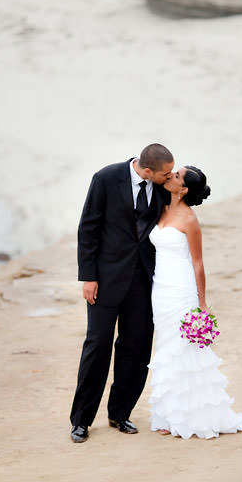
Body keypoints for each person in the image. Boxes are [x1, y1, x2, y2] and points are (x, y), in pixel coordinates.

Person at [70, 144, 174, 442]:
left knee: (136, 347)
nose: (169, 178)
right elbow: (88, 227)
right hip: (105, 279)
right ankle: (81, 420)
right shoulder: (105, 178)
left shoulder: (163, 185)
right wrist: (88, 276)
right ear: (145, 170)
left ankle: (120, 412)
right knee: (97, 345)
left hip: (144, 280)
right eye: (165, 173)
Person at [147, 165, 242, 439]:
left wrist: (202, 303)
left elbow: (198, 262)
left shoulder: (189, 220)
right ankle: (169, 415)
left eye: (177, 175)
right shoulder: (161, 207)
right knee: (165, 348)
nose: (171, 175)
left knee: (185, 350)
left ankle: (193, 416)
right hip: (160, 289)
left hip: (182, 290)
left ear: (183, 189)